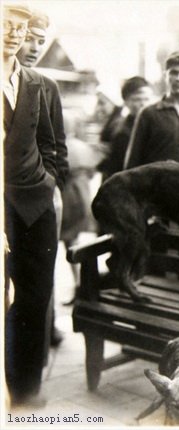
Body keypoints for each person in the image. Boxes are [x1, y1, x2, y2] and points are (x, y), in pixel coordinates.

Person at [3, 4, 58, 407]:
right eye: (6, 26)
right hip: (1, 206)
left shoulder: (36, 84)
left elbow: (52, 145)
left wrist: (48, 181)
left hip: (36, 206)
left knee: (35, 297)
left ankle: (26, 392)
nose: (15, 35)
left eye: (20, 28)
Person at [16, 7, 69, 350]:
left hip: (39, 198)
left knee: (39, 279)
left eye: (41, 41)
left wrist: (51, 183)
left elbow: (57, 146)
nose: (35, 47)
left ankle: (45, 332)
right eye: (29, 39)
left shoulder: (46, 87)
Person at [97, 76, 153, 180]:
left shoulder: (156, 126)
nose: (143, 104)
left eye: (147, 99)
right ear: (126, 102)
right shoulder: (122, 131)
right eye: (137, 99)